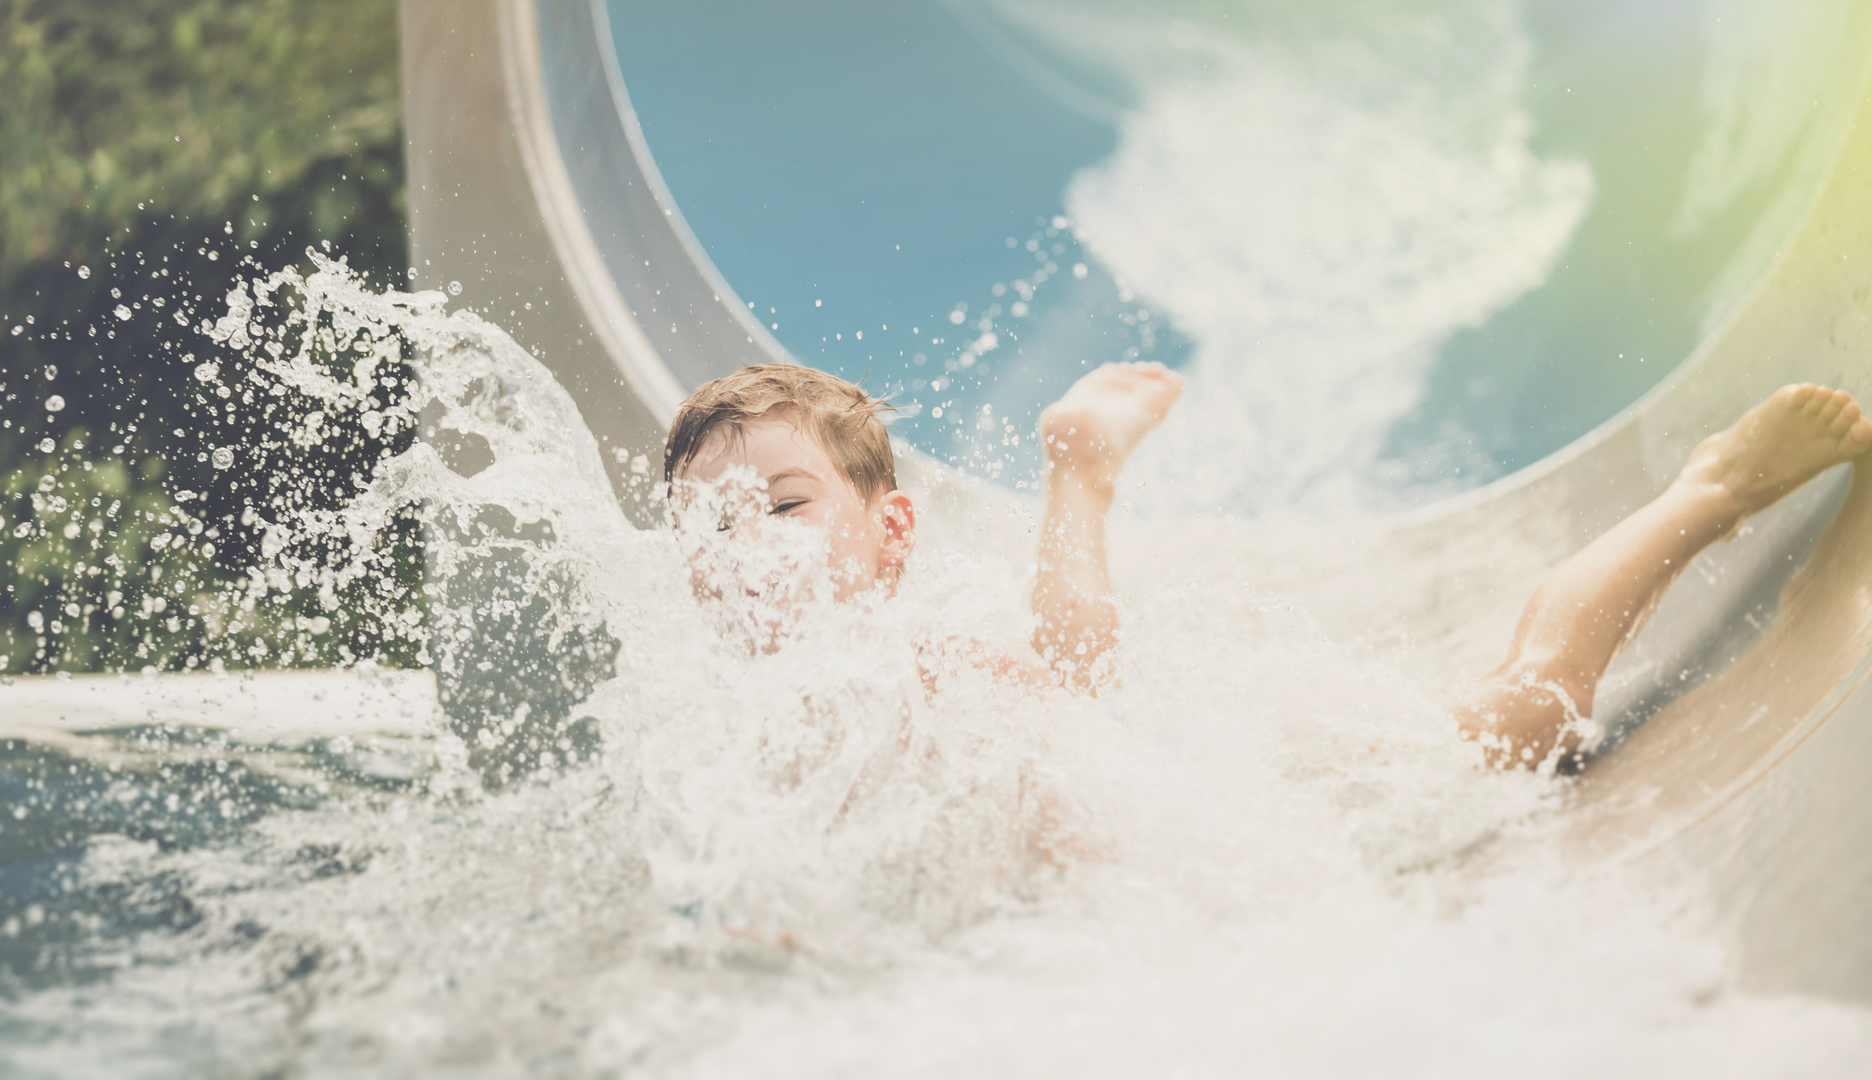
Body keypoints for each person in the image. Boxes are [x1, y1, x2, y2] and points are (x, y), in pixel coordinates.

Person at [663, 363, 1872, 770]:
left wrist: (1077, 486)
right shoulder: (751, 722)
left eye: (781, 503)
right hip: (1157, 795)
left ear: (894, 532)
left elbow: (1081, 663)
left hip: (1229, 761)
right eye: (709, 526)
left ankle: (1710, 488)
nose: (747, 545)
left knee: (1523, 720)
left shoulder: (917, 645)